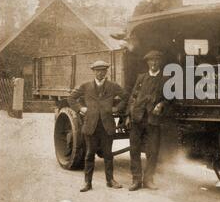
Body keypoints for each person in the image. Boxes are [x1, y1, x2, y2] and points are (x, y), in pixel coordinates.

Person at [67, 61, 128, 192]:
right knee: (89, 154)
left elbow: (126, 97)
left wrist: (117, 108)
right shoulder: (86, 86)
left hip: (107, 126)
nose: (100, 73)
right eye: (97, 71)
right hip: (91, 126)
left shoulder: (112, 86)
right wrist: (80, 109)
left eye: (102, 71)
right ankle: (87, 183)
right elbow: (71, 98)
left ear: (106, 72)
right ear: (93, 72)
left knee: (108, 154)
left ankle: (110, 180)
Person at [126, 50, 168, 191]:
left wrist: (161, 104)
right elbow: (133, 97)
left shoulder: (166, 79)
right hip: (137, 118)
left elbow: (171, 98)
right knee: (134, 150)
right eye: (151, 61)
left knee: (153, 151)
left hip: (153, 119)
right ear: (148, 63)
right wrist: (128, 115)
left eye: (156, 60)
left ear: (160, 62)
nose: (154, 63)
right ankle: (136, 180)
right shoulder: (141, 78)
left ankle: (148, 180)